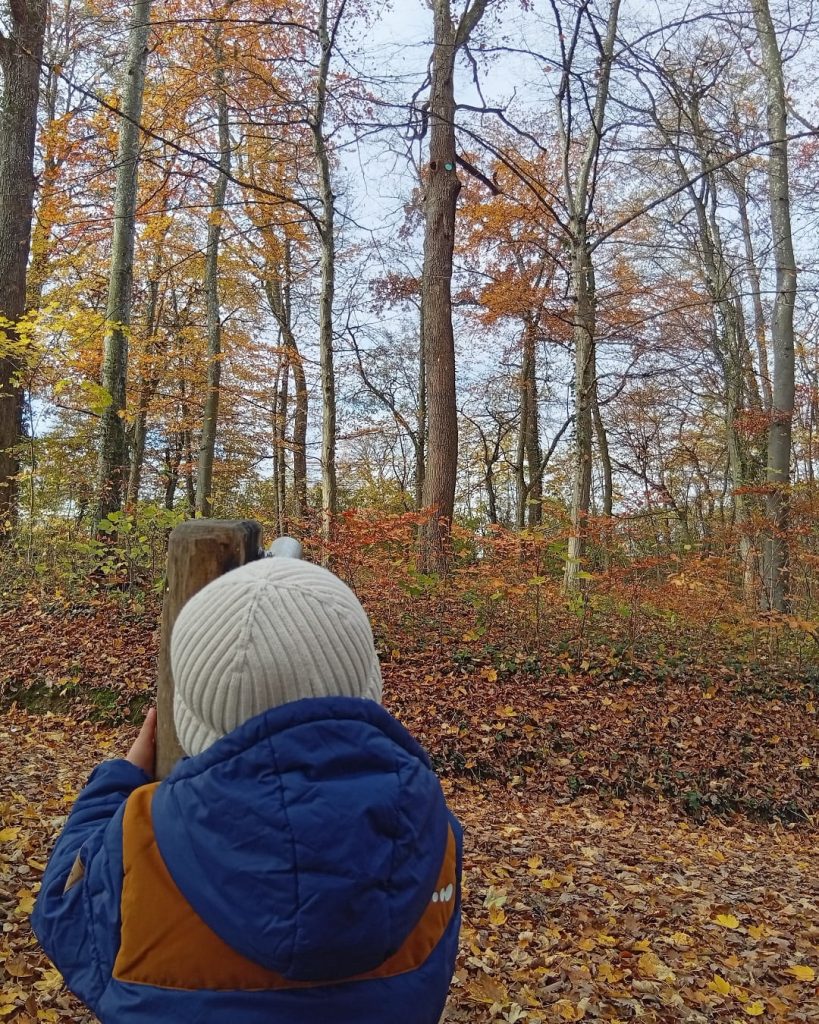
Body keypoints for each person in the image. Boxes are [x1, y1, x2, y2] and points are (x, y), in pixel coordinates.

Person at [32, 557, 462, 1023]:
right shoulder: (431, 833)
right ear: (369, 687)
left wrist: (114, 782)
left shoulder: (140, 835)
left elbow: (63, 913)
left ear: (190, 711)